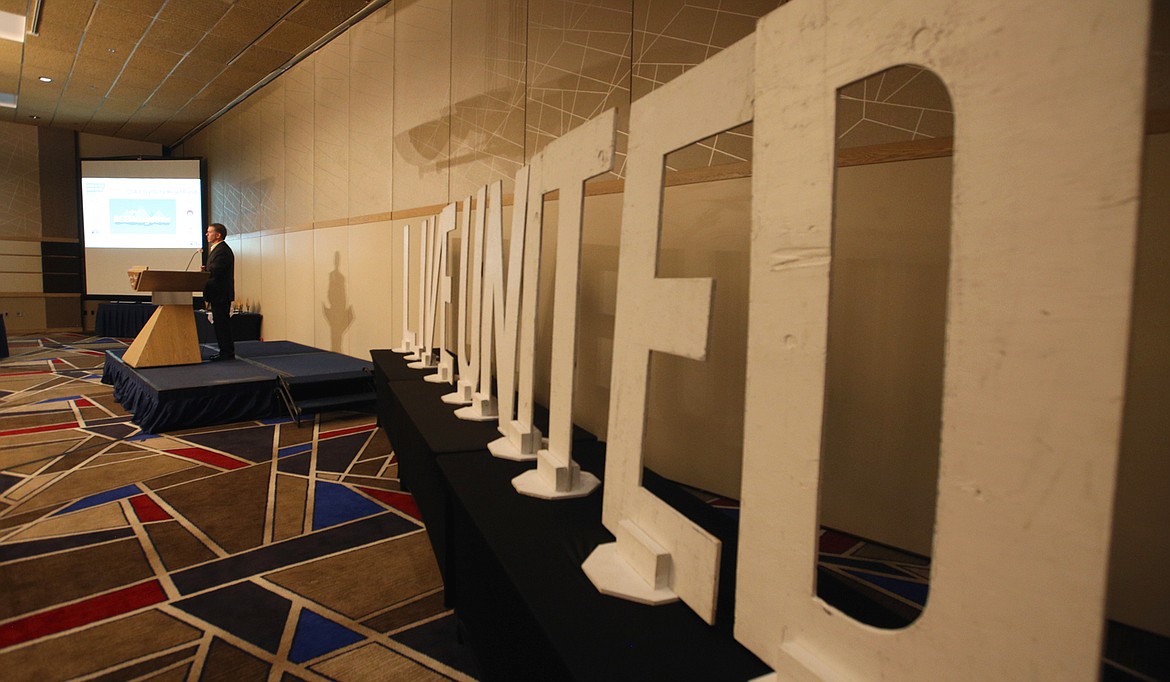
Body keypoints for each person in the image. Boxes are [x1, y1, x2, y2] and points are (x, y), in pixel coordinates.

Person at [202, 222, 236, 361]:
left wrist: (205, 273)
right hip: (217, 294)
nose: (206, 234)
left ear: (218, 235)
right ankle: (225, 351)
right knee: (220, 324)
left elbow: (216, 271)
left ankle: (226, 353)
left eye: (209, 232)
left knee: (222, 325)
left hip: (220, 294)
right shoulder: (217, 249)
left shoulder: (222, 250)